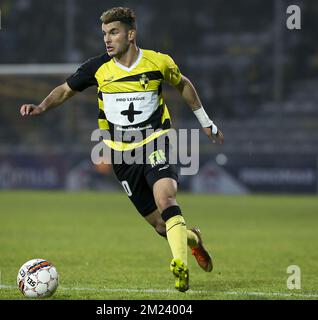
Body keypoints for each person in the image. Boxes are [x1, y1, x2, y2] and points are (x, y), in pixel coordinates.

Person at [20, 7, 223, 292]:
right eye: (104, 34)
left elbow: (183, 84)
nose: (107, 39)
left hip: (156, 142)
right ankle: (193, 240)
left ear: (131, 33)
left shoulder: (157, 62)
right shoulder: (97, 68)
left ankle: (180, 266)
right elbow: (65, 90)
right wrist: (41, 106)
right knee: (162, 227)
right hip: (121, 156)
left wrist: (206, 122)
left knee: (166, 199)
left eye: (113, 32)